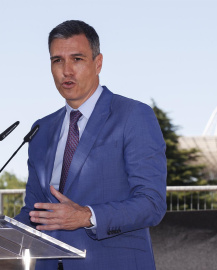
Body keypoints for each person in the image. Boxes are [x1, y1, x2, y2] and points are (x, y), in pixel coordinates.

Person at [15, 20, 167, 270]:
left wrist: (86, 216)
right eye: (57, 60)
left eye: (77, 59)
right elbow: (34, 211)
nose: (66, 71)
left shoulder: (133, 116)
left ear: (98, 63)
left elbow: (152, 203)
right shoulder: (41, 130)